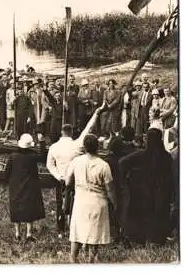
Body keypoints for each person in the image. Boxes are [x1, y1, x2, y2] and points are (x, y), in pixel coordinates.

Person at [46, 103, 105, 237]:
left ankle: (61, 230)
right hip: (76, 179)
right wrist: (97, 113)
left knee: (60, 204)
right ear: (71, 133)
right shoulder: (77, 145)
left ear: (61, 133)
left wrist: (58, 176)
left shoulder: (54, 147)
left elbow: (50, 165)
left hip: (61, 179)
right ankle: (75, 228)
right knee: (76, 203)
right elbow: (88, 128)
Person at [65, 134, 117, 263]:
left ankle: (73, 258)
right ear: (97, 147)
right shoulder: (103, 165)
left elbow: (67, 182)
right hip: (98, 201)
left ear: (84, 147)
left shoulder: (76, 161)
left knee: (77, 231)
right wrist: (115, 203)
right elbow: (110, 189)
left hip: (81, 199)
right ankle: (90, 262)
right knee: (95, 233)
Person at [119, 128, 173, 245]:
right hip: (161, 192)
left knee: (143, 216)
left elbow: (122, 163)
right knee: (158, 215)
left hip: (143, 191)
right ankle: (157, 239)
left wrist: (126, 179)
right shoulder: (167, 157)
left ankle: (141, 238)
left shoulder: (141, 154)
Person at [4, 133, 46, 242]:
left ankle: (17, 233)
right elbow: (43, 156)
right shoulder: (32, 156)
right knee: (29, 208)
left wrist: (9, 182)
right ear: (30, 145)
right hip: (30, 185)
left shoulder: (13, 156)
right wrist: (42, 142)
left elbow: (6, 172)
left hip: (15, 185)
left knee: (16, 207)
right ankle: (28, 234)